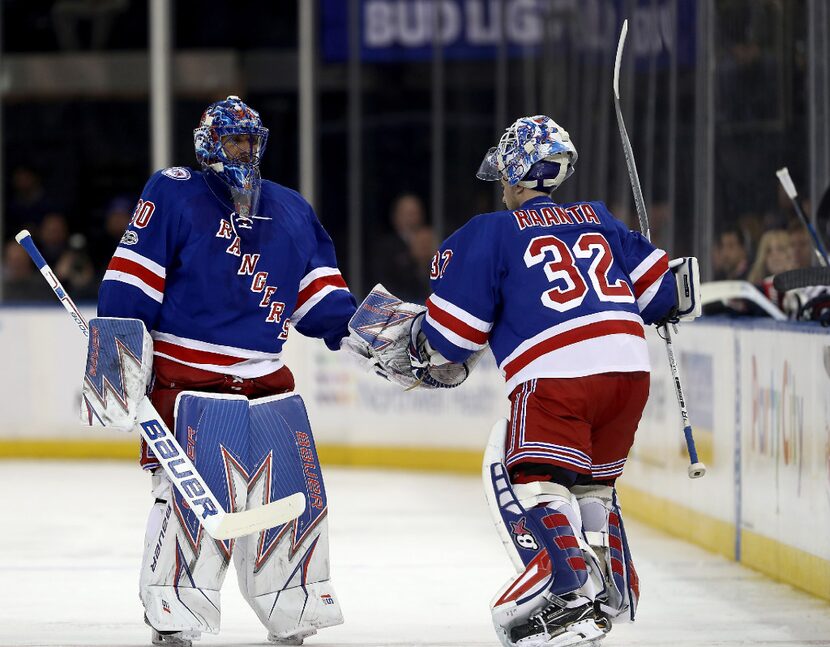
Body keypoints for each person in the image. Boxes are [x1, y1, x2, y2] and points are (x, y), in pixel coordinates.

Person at [347, 116, 689, 647]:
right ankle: (614, 585)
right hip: (628, 371)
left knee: (524, 472)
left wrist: (415, 346)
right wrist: (661, 267)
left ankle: (567, 584)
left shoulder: (490, 232)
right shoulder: (600, 218)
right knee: (593, 483)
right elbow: (669, 298)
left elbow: (454, 341)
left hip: (555, 373)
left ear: (515, 175)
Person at [81, 96, 355, 646]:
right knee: (189, 505)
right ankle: (176, 610)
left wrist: (388, 337)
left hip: (269, 388)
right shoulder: (174, 190)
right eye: (234, 140)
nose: (245, 151)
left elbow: (323, 303)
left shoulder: (292, 208)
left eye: (252, 141)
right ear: (209, 143)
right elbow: (131, 282)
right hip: (189, 388)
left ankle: (293, 602)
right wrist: (114, 360)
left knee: (290, 501)